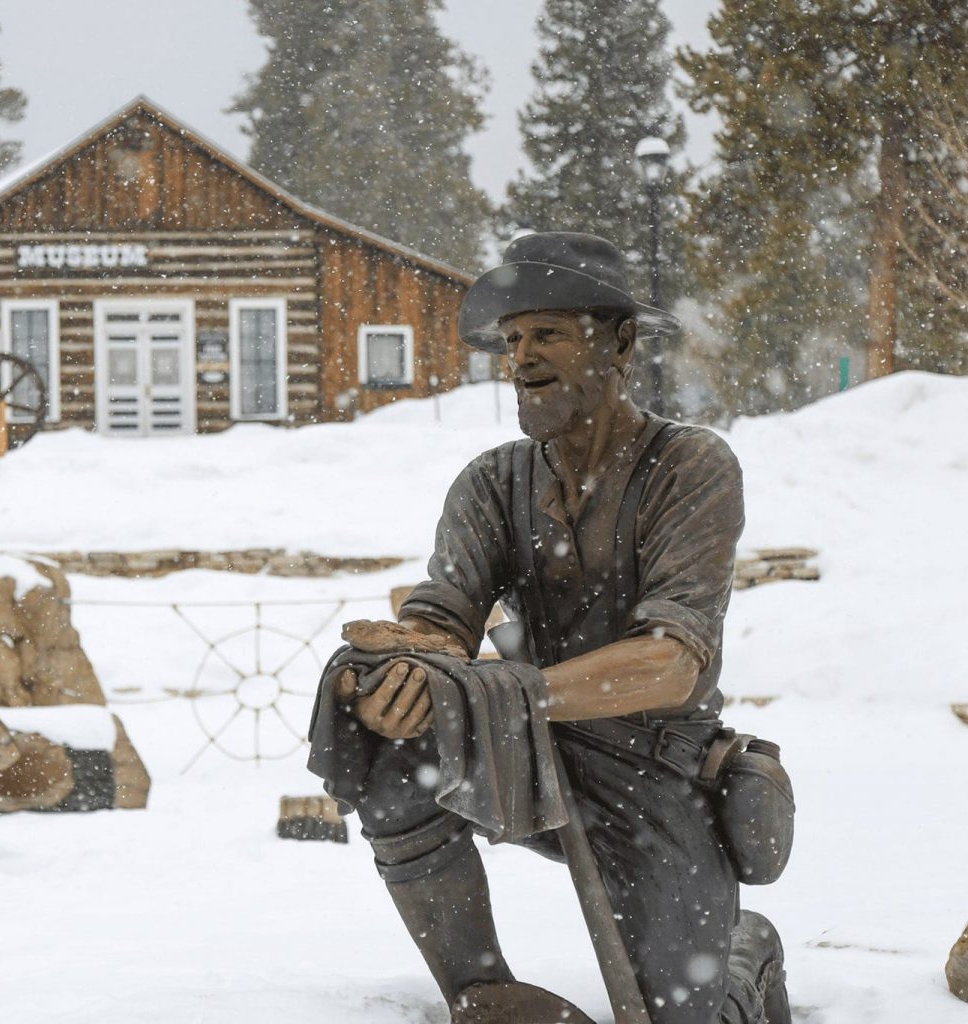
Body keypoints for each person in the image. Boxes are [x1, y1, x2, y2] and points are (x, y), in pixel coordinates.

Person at [309, 233, 791, 1023]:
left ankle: (747, 953)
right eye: (512, 340)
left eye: (549, 335)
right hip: (525, 752)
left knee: (683, 1014)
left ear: (621, 343)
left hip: (655, 772)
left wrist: (509, 694)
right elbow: (442, 620)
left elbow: (673, 663)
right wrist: (394, 677)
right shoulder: (494, 482)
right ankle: (483, 990)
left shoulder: (691, 466)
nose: (522, 357)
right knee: (383, 732)